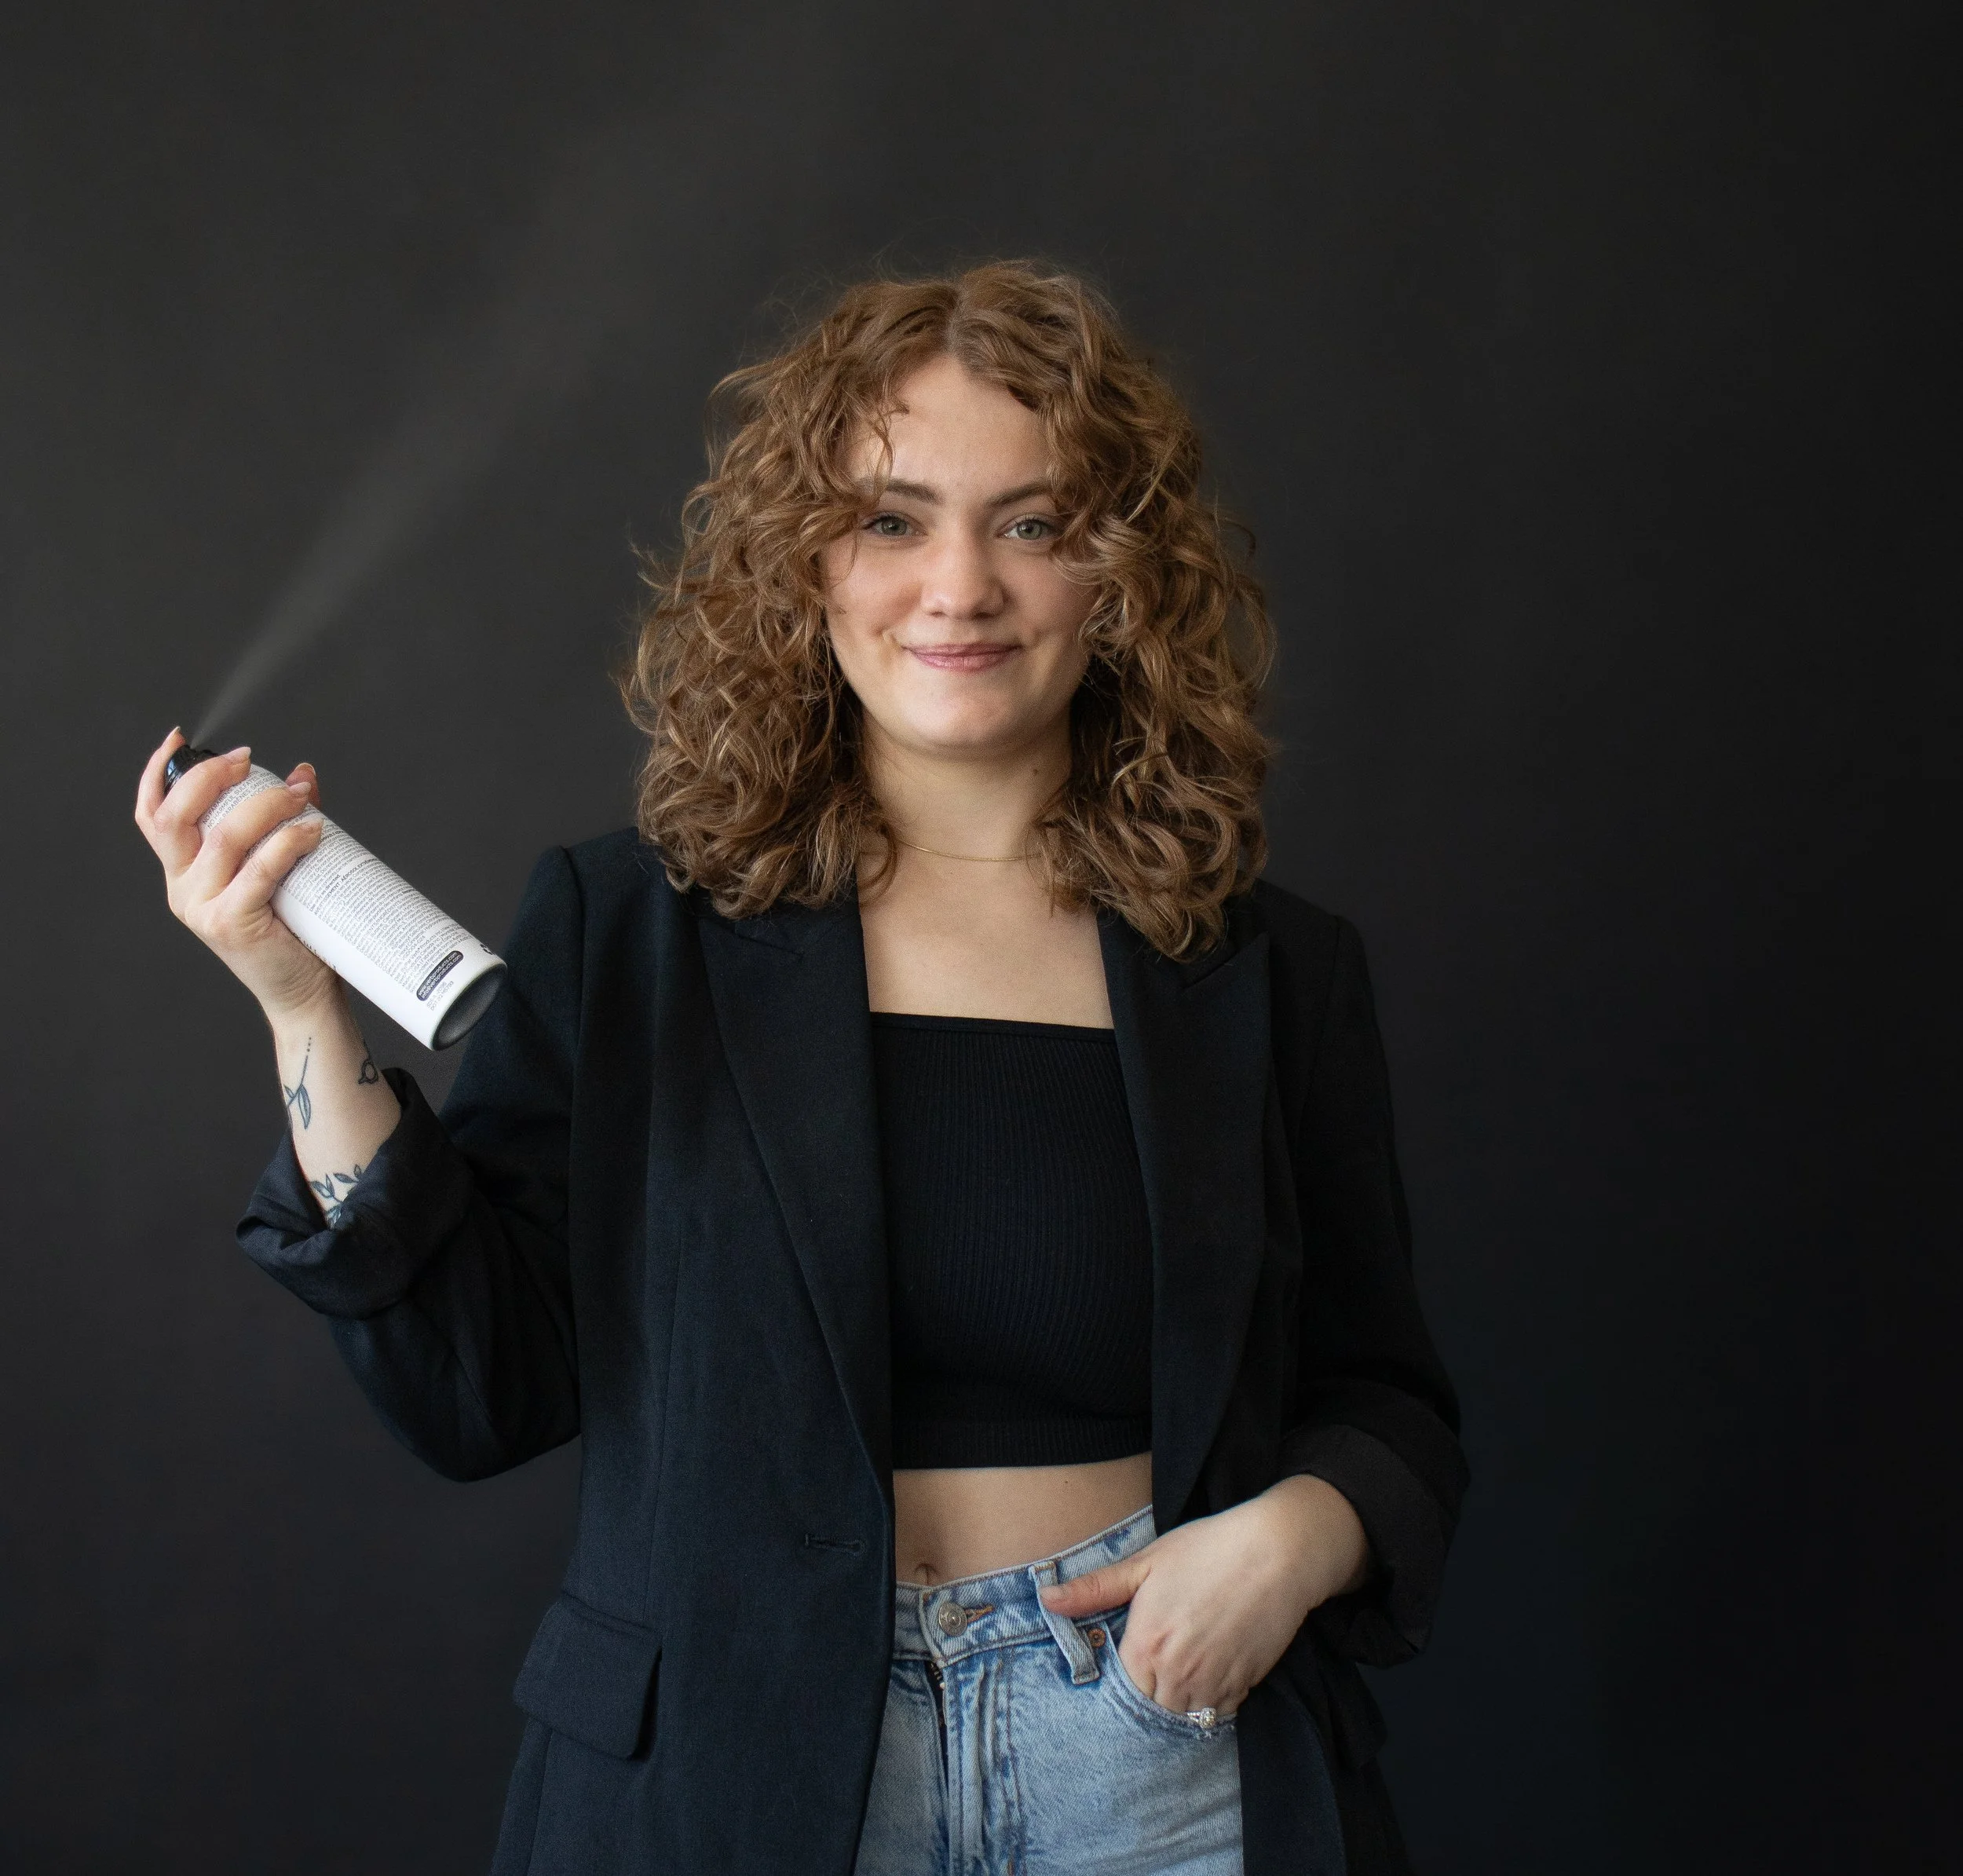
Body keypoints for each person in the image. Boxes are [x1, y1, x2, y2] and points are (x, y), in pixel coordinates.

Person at [134, 262, 1465, 1876]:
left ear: (1120, 575)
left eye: (1033, 523)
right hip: (733, 1766)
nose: (959, 587)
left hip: (1160, 1751)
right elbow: (479, 1392)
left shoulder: (1272, 972)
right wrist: (301, 1011)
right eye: (893, 520)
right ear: (805, 561)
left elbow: (1385, 1402)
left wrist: (1299, 1536)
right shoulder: (627, 932)